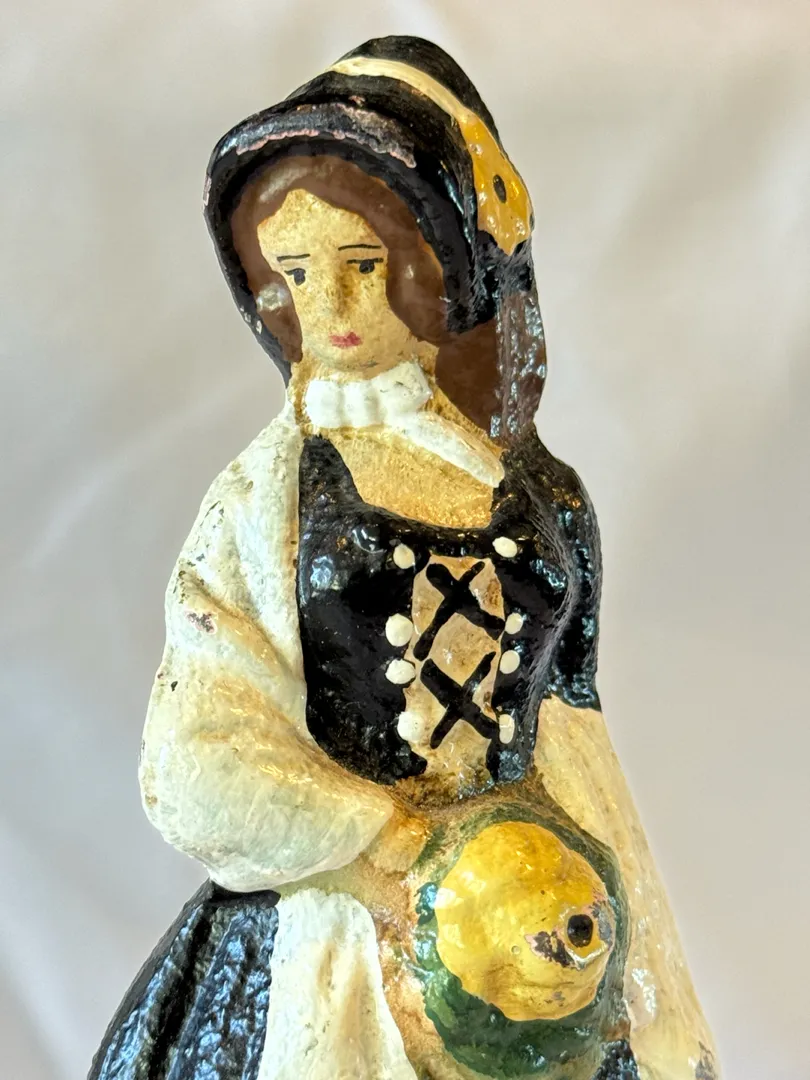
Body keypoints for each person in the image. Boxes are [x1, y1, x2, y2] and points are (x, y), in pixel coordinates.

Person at [90, 36, 718, 1080]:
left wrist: (652, 982)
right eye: (296, 275)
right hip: (343, 934)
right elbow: (194, 752)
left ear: (437, 267)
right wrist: (388, 841)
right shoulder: (264, 503)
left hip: (538, 918)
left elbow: (574, 732)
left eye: (362, 266)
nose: (329, 312)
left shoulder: (545, 502)